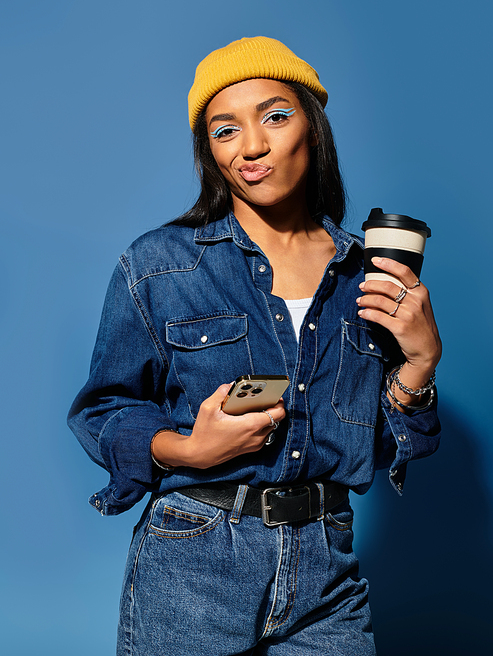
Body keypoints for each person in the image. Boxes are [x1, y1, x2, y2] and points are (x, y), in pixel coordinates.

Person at [68, 36, 441, 655]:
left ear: (313, 130)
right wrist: (188, 447)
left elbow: (377, 445)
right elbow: (104, 410)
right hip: (194, 566)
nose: (252, 146)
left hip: (327, 572)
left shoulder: (363, 274)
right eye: (224, 130)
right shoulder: (160, 266)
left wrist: (421, 363)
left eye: (275, 115)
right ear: (210, 153)